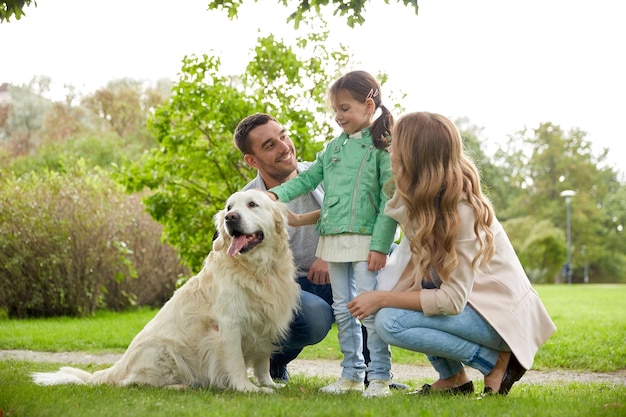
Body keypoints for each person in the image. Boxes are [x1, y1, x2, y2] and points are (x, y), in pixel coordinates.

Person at [347, 111, 557, 396]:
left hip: (498, 319)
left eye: (396, 145)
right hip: (473, 307)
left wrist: (381, 297)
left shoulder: (461, 209)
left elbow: (451, 300)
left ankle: (496, 362)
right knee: (412, 290)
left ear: (414, 155)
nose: (389, 150)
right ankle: (453, 379)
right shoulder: (421, 196)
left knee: (391, 321)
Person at [266, 71, 398, 398]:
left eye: (345, 109)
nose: (338, 117)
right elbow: (304, 180)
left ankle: (379, 376)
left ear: (369, 105)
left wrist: (381, 246)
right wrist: (276, 196)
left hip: (367, 242)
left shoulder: (383, 149)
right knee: (342, 309)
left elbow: (388, 203)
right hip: (333, 240)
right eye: (335, 111)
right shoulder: (332, 149)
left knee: (367, 308)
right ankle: (351, 374)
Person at [233, 113, 334, 384]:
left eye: (284, 135)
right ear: (252, 160)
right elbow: (231, 260)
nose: (284, 147)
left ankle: (374, 374)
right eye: (270, 145)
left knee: (389, 262)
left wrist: (326, 252)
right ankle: (272, 363)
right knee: (314, 316)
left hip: (339, 270)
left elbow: (355, 216)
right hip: (287, 288)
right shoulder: (246, 202)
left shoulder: (322, 175)